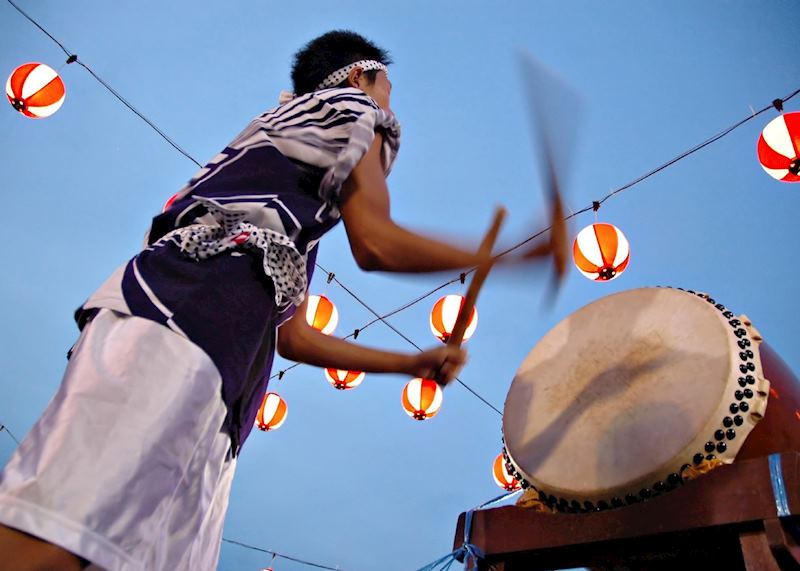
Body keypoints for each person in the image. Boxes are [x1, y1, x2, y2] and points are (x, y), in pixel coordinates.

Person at [0, 30, 565, 571]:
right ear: (364, 78)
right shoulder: (352, 110)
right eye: (388, 88)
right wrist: (515, 255)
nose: (391, 105)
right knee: (58, 535)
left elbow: (291, 336)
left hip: (213, 373)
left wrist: (410, 363)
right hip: (184, 323)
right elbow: (375, 243)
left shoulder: (287, 196)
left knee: (95, 547)